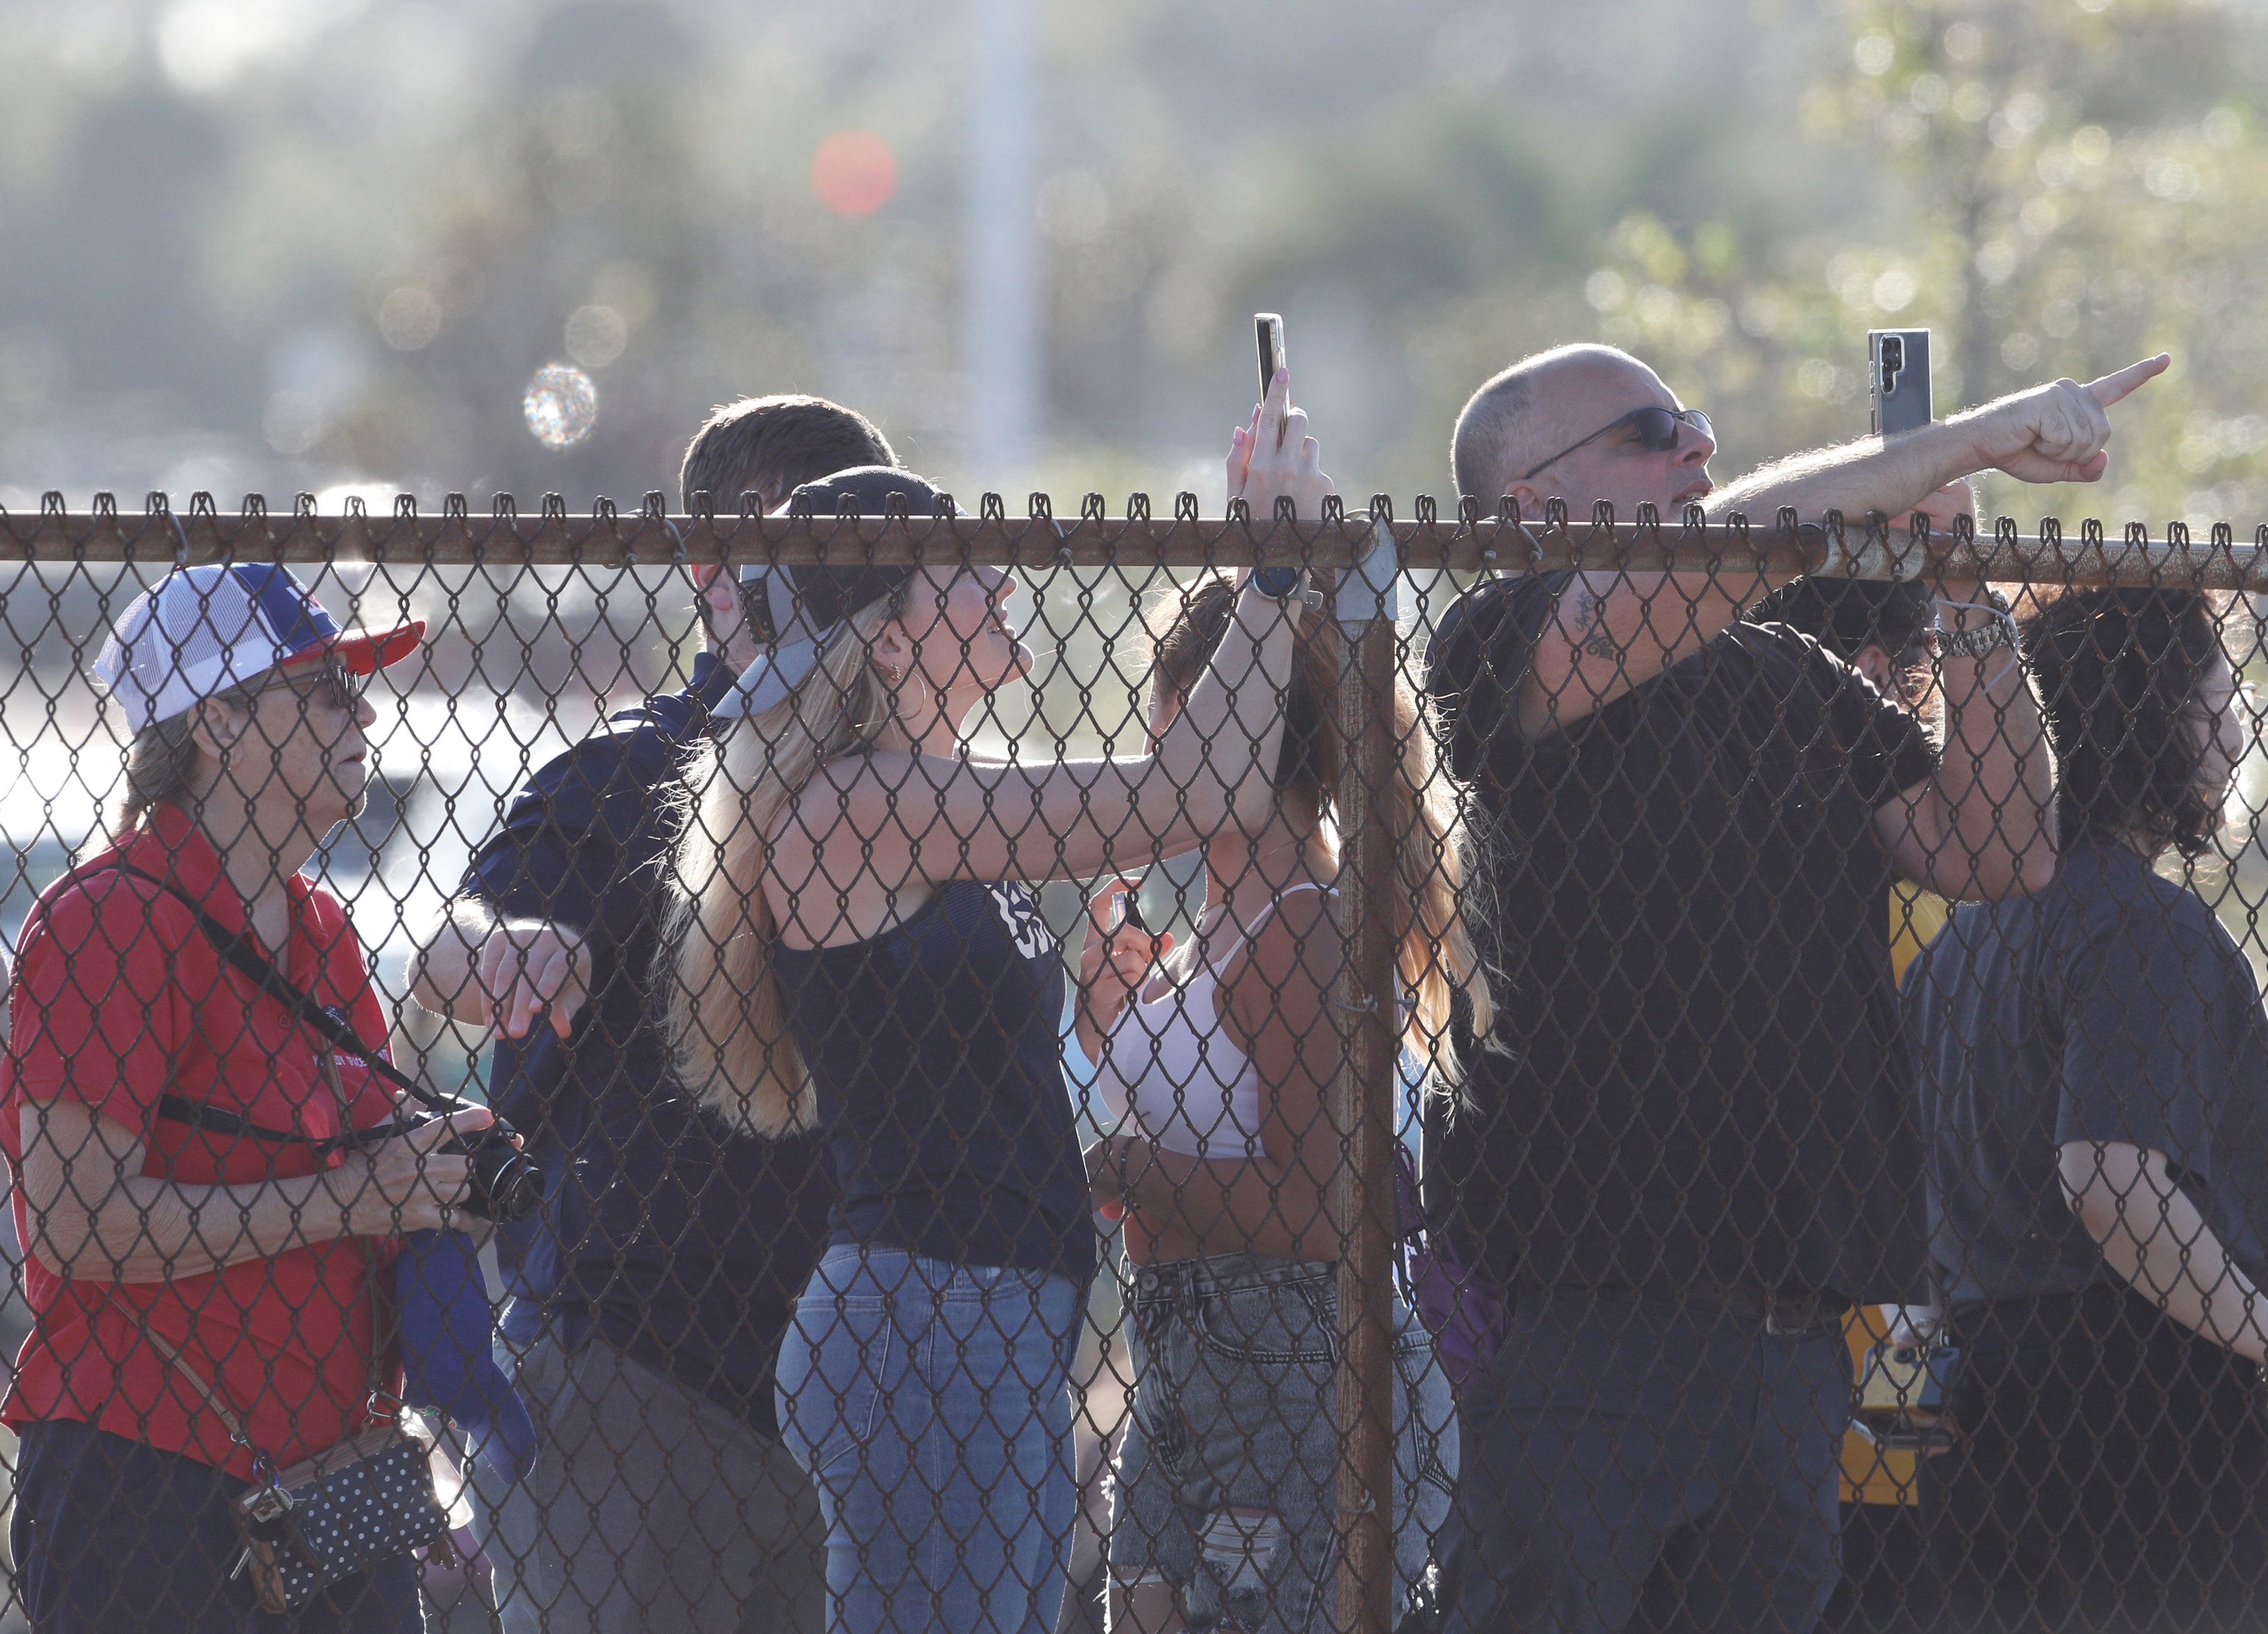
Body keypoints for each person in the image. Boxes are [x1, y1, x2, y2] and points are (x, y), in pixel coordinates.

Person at [1422, 340, 2145, 1630]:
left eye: (1696, 423)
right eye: (1652, 432)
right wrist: (1948, 440)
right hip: (1598, 1320)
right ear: (1533, 501)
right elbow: (1676, 581)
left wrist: (1962, 586)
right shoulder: (1497, 640)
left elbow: (1998, 848)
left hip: (1797, 1327)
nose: (1698, 448)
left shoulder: (1778, 671)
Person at [662, 378, 1311, 1634]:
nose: (1003, 577)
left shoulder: (943, 793)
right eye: (961, 566)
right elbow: (1211, 784)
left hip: (986, 1310)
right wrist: (1268, 571)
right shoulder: (862, 802)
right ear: (890, 635)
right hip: (928, 1317)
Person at [409, 395, 894, 1633]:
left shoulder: (913, 783)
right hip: (644, 1375)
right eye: (800, 558)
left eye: (866, 560)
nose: (838, 594)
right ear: (711, 577)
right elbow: (454, 943)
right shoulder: (640, 769)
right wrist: (512, 952)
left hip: (855, 1384)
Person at [4, 564, 488, 1631]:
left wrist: (437, 1172)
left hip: (340, 1462)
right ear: (216, 722)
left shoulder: (323, 926)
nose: (363, 711)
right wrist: (357, 1198)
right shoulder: (109, 921)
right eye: (323, 689)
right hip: (152, 1468)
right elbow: (81, 1225)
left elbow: (361, 1172)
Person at [1906, 586, 2268, 1633]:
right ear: (2148, 721)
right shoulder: (2141, 927)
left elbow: (1908, 1221)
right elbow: (2111, 1184)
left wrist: (1904, 1422)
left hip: (1974, 1407)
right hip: (2140, 1403)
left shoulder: (1951, 953)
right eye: (2215, 705)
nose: (2238, 732)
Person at [1077, 560, 1494, 1632]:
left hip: (1292, 1373)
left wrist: (1126, 1171)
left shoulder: (1301, 927)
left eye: (1171, 713)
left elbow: (1320, 1215)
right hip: (1183, 1361)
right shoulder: (1212, 927)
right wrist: (1104, 1023)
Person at [1746, 547, 1950, 1634]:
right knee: (1883, 1558)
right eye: (1925, 673)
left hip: (1789, 1274)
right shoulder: (1911, 870)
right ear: (1873, 671)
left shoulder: (1752, 838)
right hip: (1895, 1278)